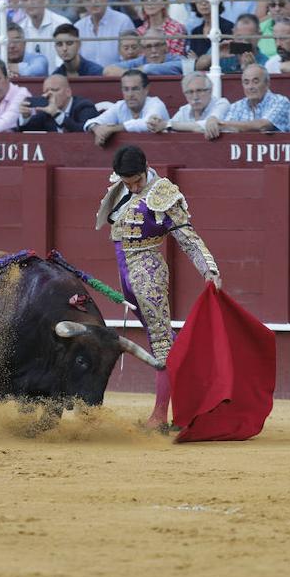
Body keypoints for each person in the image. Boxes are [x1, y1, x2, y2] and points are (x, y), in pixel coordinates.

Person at [95, 143, 220, 429]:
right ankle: (196, 400)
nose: (134, 188)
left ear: (146, 168)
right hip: (126, 274)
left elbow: (187, 237)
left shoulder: (163, 193)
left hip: (148, 273)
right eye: (128, 183)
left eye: (137, 181)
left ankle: (160, 416)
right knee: (165, 340)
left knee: (162, 343)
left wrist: (209, 269)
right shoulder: (122, 184)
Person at [85, 68, 169, 144]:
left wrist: (113, 128)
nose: (130, 94)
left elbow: (149, 124)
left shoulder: (156, 104)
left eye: (135, 89)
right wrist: (97, 129)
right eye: (126, 89)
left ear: (146, 89)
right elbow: (90, 122)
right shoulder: (120, 106)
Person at [76, 0, 135, 67]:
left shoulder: (123, 22)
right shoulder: (78, 27)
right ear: (83, 2)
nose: (93, 1)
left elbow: (131, 61)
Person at [216, 62, 290, 133]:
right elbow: (226, 129)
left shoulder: (280, 101)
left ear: (267, 83)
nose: (250, 87)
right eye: (246, 82)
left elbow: (263, 126)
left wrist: (223, 124)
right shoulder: (236, 106)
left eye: (255, 82)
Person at [18, 73, 98, 131]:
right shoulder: (47, 113)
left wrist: (56, 114)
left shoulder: (84, 106)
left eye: (54, 90)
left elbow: (85, 131)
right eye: (46, 91)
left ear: (68, 92)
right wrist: (25, 117)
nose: (49, 94)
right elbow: (25, 130)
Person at [160, 71, 228, 138]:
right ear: (185, 94)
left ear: (210, 91)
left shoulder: (221, 104)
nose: (195, 97)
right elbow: (167, 128)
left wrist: (169, 124)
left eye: (199, 91)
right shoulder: (184, 110)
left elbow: (206, 126)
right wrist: (157, 124)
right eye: (190, 92)